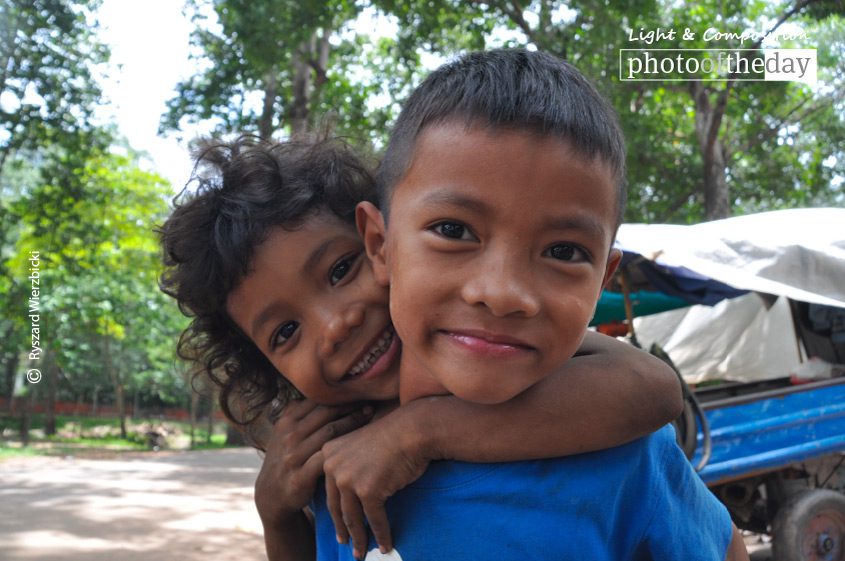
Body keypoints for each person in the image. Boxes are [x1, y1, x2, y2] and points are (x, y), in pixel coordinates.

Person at [159, 134, 685, 561]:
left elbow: (655, 388)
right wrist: (277, 513)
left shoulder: (510, 363)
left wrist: (417, 433)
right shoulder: (335, 469)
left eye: (341, 269)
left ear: (384, 245)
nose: (336, 325)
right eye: (285, 333)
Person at [314, 49, 750, 560]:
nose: (502, 293)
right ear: (380, 245)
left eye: (564, 252)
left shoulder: (628, 459)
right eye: (453, 231)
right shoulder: (348, 474)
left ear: (602, 278)